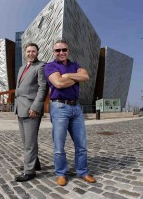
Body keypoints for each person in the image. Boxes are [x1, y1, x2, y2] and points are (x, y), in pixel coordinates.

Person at [44, 40, 96, 186]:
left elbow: (85, 77)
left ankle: (83, 171)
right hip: (59, 107)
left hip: (76, 108)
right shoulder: (50, 66)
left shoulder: (75, 65)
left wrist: (66, 76)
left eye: (64, 50)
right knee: (59, 145)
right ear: (53, 52)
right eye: (58, 50)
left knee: (81, 144)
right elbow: (58, 84)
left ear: (68, 51)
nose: (61, 52)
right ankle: (61, 173)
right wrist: (73, 77)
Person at [14, 43, 48, 182]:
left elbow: (43, 88)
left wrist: (36, 107)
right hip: (20, 108)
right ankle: (35, 163)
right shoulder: (22, 67)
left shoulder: (41, 66)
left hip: (31, 110)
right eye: (28, 51)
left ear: (37, 52)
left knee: (29, 142)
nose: (30, 53)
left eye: (33, 51)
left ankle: (29, 171)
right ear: (25, 52)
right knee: (26, 140)